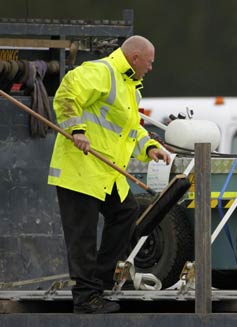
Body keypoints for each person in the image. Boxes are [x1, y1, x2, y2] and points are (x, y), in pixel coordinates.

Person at [48, 35, 171, 314]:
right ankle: (85, 298)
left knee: (126, 214)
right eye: (149, 63)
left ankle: (99, 282)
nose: (150, 68)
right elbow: (67, 92)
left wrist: (150, 146)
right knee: (83, 237)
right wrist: (76, 129)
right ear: (135, 58)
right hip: (79, 170)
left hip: (106, 175)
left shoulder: (130, 87)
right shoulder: (101, 71)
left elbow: (130, 128)